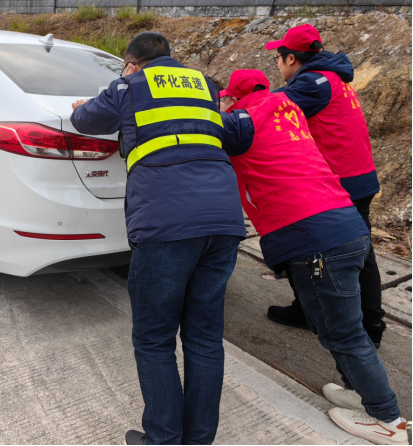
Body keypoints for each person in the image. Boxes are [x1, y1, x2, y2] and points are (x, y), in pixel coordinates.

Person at [71, 32, 246, 445]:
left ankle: (164, 440)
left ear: (132, 64)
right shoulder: (205, 85)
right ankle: (198, 440)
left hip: (166, 223)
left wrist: (81, 106)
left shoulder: (128, 85)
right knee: (205, 338)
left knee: (154, 338)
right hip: (223, 220)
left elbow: (85, 121)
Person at [220, 69, 409, 446]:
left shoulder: (243, 121)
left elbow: (200, 124)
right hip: (346, 224)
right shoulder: (285, 109)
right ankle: (359, 392)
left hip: (316, 240)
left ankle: (387, 420)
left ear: (234, 99)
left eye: (226, 98)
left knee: (343, 333)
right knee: (336, 326)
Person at [265, 24, 386, 348]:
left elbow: (266, 106)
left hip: (342, 184)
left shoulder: (313, 83)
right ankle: (312, 310)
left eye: (278, 58)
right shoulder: (332, 78)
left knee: (352, 255)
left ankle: (369, 325)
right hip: (354, 177)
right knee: (318, 247)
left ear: (291, 58)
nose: (277, 64)